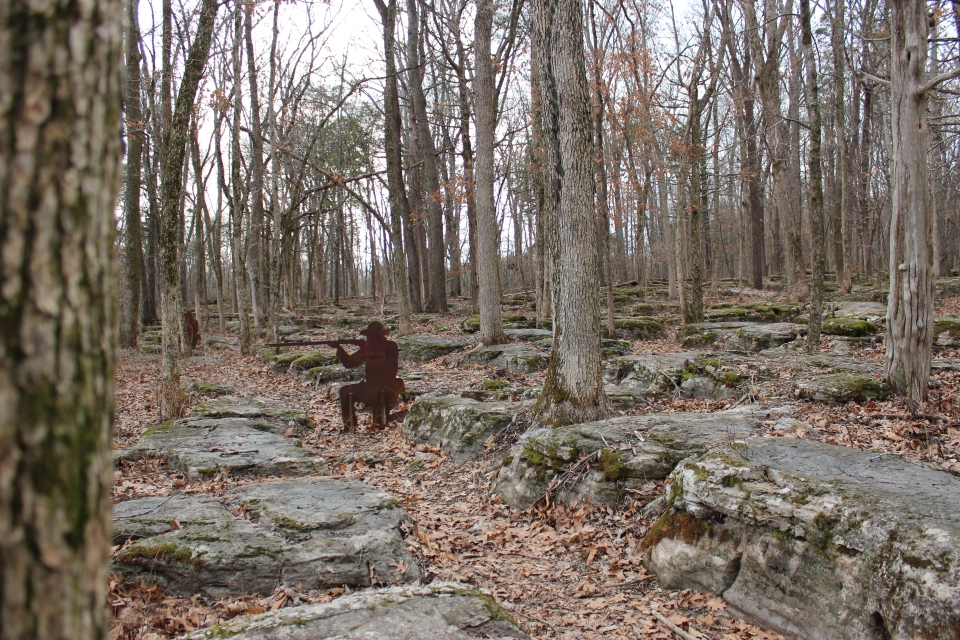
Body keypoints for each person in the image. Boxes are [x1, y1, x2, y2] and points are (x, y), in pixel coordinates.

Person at [334, 321, 405, 431]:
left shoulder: (390, 346)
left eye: (374, 336)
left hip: (387, 389)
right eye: (370, 336)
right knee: (345, 391)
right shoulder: (368, 349)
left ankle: (405, 415)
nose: (372, 338)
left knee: (380, 421)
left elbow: (382, 359)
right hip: (370, 389)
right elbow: (349, 363)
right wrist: (339, 348)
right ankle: (349, 427)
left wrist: (365, 348)